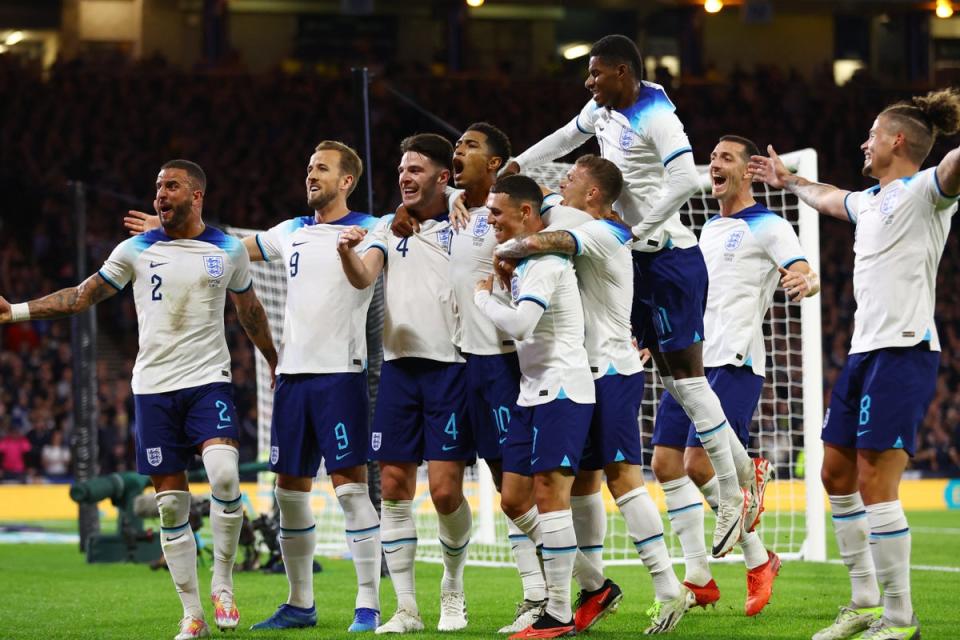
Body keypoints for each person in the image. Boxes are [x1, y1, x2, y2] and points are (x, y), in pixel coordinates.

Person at [1, 160, 279, 640]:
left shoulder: (228, 249)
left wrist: (275, 360)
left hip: (208, 381)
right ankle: (192, 614)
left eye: (171, 186)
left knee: (227, 475)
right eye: (157, 187)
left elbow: (250, 310)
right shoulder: (135, 249)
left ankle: (224, 584)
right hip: (153, 388)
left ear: (197, 196)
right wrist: (17, 311)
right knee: (171, 507)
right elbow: (83, 295)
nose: (160, 195)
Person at [504, 34, 757, 557]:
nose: (589, 82)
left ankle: (734, 493)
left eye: (596, 73)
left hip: (669, 258)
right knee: (677, 383)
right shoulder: (601, 110)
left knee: (688, 384)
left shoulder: (657, 116)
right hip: (641, 262)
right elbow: (563, 138)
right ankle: (746, 474)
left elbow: (686, 179)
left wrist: (644, 232)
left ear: (622, 71)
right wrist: (518, 164)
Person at [125, 142, 385, 633]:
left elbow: (369, 271)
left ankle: (367, 604)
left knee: (351, 492)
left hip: (341, 375)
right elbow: (219, 249)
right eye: (309, 167)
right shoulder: (289, 231)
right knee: (288, 493)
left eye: (322, 169)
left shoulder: (372, 228)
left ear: (346, 181)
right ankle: (300, 604)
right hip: (290, 377)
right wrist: (166, 233)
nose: (311, 175)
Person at [749, 88, 960, 640]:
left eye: (872, 133)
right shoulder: (872, 200)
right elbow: (831, 198)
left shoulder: (927, 191)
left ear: (897, 140)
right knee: (834, 473)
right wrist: (788, 180)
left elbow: (954, 166)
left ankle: (899, 617)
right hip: (863, 353)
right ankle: (864, 602)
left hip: (904, 350)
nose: (863, 142)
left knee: (875, 481)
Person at [494, 157, 695, 634]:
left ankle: (669, 588)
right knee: (578, 486)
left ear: (592, 194)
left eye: (572, 178)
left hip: (610, 369)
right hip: (583, 371)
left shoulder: (603, 232)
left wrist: (508, 251)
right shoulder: (573, 213)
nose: (560, 182)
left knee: (622, 477)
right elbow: (523, 201)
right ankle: (593, 587)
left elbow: (549, 238)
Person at [655, 135, 819, 616]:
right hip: (690, 359)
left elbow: (803, 267)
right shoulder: (706, 228)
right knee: (666, 465)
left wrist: (803, 280)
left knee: (698, 467)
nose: (714, 164)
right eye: (712, 158)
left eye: (725, 158)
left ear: (749, 171)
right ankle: (738, 565)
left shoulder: (768, 223)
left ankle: (748, 476)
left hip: (735, 362)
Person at [337, 133, 475, 634]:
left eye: (416, 169)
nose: (404, 177)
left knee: (443, 494)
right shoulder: (384, 226)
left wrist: (460, 199)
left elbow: (490, 191)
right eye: (401, 170)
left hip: (450, 369)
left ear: (443, 176)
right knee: (393, 489)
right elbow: (362, 277)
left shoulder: (465, 218)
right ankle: (407, 609)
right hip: (397, 370)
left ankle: (453, 588)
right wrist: (347, 252)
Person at [474, 175, 596, 639]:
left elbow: (523, 325)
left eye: (497, 213)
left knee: (548, 497)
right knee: (514, 500)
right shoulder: (524, 263)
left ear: (526, 214)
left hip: (563, 389)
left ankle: (560, 612)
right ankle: (595, 584)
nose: (491, 221)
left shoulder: (545, 260)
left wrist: (484, 297)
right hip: (532, 391)